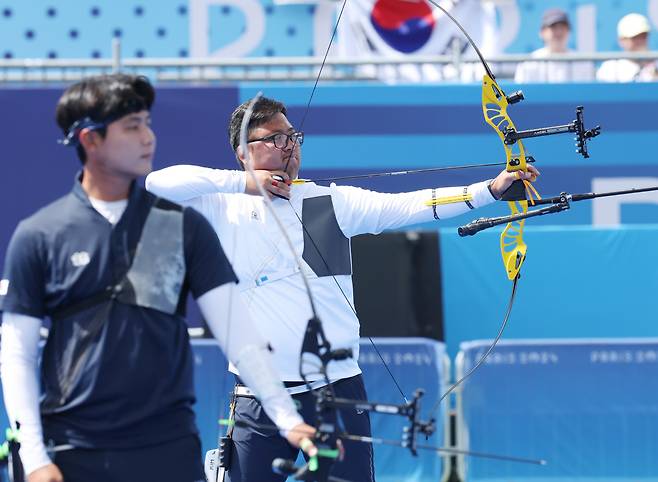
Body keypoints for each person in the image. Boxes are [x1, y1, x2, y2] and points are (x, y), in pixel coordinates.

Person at [145, 96, 539, 482]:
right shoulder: (219, 205)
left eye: (292, 136)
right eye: (275, 138)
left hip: (336, 393)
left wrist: (491, 189)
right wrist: (245, 183)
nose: (290, 147)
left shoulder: (327, 202)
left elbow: (414, 204)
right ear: (242, 153)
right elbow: (154, 183)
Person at [0, 75, 316, 482]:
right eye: (131, 127)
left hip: (169, 448)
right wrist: (36, 455)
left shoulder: (184, 227)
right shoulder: (39, 235)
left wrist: (285, 417)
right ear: (89, 140)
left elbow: (237, 331)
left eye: (147, 122)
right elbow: (17, 352)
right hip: (74, 449)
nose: (147, 137)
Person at [514, 8, 594, 83]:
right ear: (542, 32)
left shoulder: (583, 63)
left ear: (569, 31)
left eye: (562, 27)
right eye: (554, 28)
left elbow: (589, 95)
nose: (559, 32)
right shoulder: (529, 64)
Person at [597, 13, 657, 82]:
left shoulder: (656, 65)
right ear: (621, 40)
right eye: (634, 38)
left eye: (643, 36)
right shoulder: (610, 69)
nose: (639, 41)